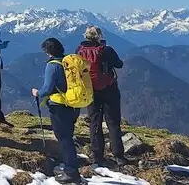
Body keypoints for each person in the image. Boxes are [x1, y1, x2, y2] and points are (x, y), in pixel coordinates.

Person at [77, 26, 128, 167]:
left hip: (90, 91)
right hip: (109, 89)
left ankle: (97, 156)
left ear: (86, 36)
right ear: (99, 36)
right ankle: (118, 155)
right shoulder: (106, 50)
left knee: (94, 122)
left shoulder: (79, 50)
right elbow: (119, 64)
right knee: (112, 122)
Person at [33, 37, 81, 184]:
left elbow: (47, 89)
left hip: (59, 106)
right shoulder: (69, 62)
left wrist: (37, 93)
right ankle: (69, 166)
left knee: (64, 138)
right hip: (74, 104)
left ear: (49, 52)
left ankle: (71, 171)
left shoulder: (52, 66)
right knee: (68, 137)